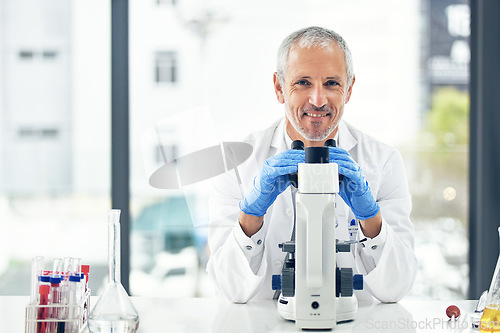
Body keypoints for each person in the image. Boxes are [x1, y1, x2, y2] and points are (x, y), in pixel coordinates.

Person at [206, 26, 417, 304]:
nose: (318, 100)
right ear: (279, 87)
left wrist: (371, 219)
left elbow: (397, 287)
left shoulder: (384, 161)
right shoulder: (235, 163)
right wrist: (251, 216)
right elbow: (227, 288)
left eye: (331, 83)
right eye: (303, 82)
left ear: (349, 88)